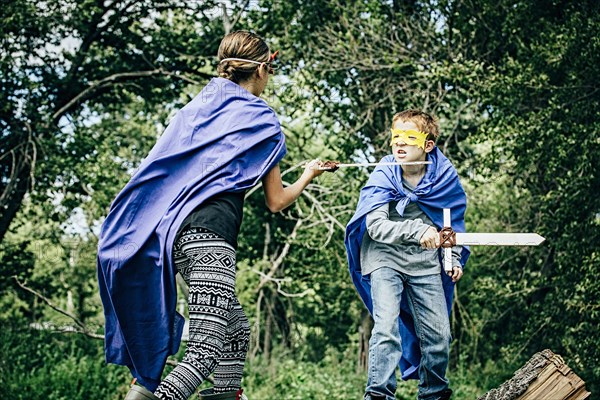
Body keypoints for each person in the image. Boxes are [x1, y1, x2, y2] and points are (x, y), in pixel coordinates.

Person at [97, 31, 327, 400]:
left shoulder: (196, 109)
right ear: (264, 69)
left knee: (234, 329)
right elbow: (276, 200)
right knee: (204, 350)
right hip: (210, 239)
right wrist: (308, 175)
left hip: (171, 236)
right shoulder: (262, 120)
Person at [344, 109, 470, 400]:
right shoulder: (386, 171)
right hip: (384, 258)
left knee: (439, 336)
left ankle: (434, 394)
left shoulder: (444, 176)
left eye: (409, 137)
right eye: (395, 137)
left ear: (428, 145)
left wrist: (453, 258)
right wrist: (416, 229)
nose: (399, 143)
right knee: (386, 328)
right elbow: (374, 226)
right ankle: (379, 394)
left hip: (424, 264)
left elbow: (452, 224)